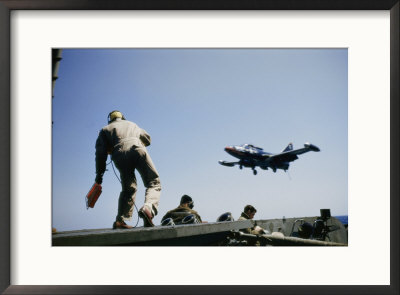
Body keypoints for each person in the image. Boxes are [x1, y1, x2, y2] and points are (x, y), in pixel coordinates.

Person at [95, 110, 161, 229]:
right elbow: (148, 139)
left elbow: (100, 154)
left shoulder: (104, 129)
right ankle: (148, 208)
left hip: (118, 154)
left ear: (110, 119)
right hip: (137, 148)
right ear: (122, 117)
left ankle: (120, 220)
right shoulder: (132, 124)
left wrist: (99, 175)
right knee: (153, 182)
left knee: (128, 188)